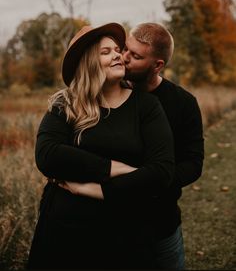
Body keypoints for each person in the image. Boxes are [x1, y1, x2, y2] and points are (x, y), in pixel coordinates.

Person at [27, 22, 175, 270]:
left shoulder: (146, 106)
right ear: (88, 63)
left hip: (125, 231)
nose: (118, 55)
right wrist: (112, 168)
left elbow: (162, 172)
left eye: (117, 50)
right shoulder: (66, 104)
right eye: (105, 52)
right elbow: (48, 155)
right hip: (67, 232)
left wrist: (96, 190)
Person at [122, 22, 204, 270]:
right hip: (113, 222)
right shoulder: (110, 92)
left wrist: (154, 182)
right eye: (125, 49)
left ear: (157, 65)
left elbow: (193, 163)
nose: (124, 58)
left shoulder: (183, 103)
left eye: (135, 56)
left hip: (161, 223)